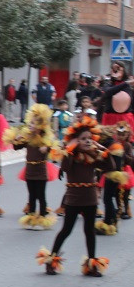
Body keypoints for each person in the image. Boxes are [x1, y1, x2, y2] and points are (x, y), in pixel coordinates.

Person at [37, 116, 115, 277]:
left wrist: (102, 148)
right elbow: (64, 166)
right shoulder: (70, 157)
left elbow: (111, 166)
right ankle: (51, 260)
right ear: (75, 141)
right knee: (66, 229)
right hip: (73, 199)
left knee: (89, 231)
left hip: (90, 199)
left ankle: (92, 263)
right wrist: (71, 148)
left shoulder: (92, 156)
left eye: (89, 138)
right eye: (83, 139)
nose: (87, 141)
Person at [5, 104, 60, 230]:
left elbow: (54, 148)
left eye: (33, 123)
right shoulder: (28, 137)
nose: (30, 125)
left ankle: (41, 217)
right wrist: (16, 139)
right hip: (29, 170)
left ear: (41, 126)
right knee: (31, 195)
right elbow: (16, 147)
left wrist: (47, 148)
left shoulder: (45, 139)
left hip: (41, 170)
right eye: (30, 123)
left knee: (41, 195)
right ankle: (31, 218)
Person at [95, 121, 133, 235]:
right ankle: (110, 220)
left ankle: (112, 221)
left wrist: (103, 154)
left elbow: (113, 163)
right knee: (108, 198)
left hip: (114, 175)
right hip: (112, 174)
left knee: (108, 198)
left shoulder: (114, 145)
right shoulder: (111, 144)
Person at [98, 61, 134, 132]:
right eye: (114, 68)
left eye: (118, 68)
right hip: (110, 119)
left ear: (123, 70)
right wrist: (126, 83)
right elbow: (108, 92)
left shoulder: (129, 86)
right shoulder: (108, 85)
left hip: (126, 119)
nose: (116, 70)